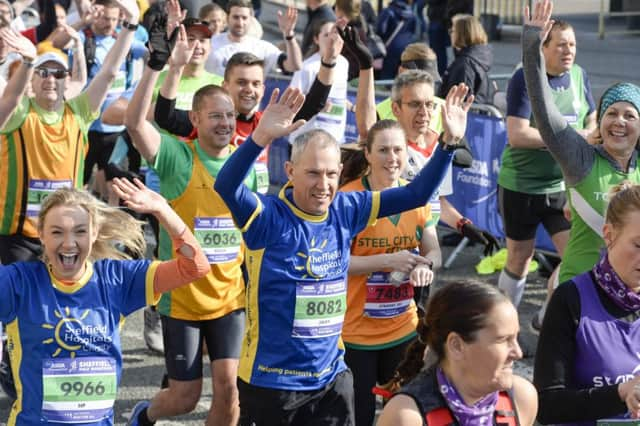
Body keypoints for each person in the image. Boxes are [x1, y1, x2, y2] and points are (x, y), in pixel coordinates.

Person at [214, 82, 473, 424]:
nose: (324, 185)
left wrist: (448, 143)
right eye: (313, 174)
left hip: (331, 378)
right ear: (290, 172)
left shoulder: (347, 207)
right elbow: (226, 186)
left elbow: (417, 193)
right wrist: (259, 138)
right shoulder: (268, 218)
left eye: (332, 174)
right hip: (273, 382)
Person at [124, 27, 256, 426]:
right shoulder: (178, 157)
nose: (224, 122)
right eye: (215, 115)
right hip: (181, 297)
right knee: (184, 397)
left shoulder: (245, 162)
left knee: (229, 387)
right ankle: (143, 415)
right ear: (195, 118)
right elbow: (134, 123)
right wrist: (161, 68)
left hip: (229, 297)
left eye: (229, 115)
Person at [0, 177, 210, 426]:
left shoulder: (117, 280)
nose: (69, 243)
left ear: (95, 233)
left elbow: (195, 266)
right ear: (41, 236)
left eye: (80, 231)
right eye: (57, 232)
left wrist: (162, 211)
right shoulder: (19, 283)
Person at [0, 0, 141, 265]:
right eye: (43, 72)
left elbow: (109, 73)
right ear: (32, 79)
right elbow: (8, 97)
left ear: (68, 81)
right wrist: (28, 60)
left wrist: (131, 22)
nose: (50, 79)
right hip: (20, 237)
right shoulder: (18, 113)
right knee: (25, 304)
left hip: (65, 233)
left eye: (58, 73)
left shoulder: (79, 112)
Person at [522, 0, 640, 297]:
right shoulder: (581, 158)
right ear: (599, 122)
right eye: (611, 114)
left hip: (631, 295)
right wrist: (531, 45)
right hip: (580, 293)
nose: (619, 122)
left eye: (630, 115)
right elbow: (545, 111)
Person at [341, 119, 442, 426]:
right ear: (368, 154)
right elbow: (333, 263)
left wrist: (426, 267)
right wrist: (387, 261)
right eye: (383, 150)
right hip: (354, 333)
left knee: (405, 418)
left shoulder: (416, 197)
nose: (392, 158)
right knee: (356, 419)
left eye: (398, 149)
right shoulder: (347, 199)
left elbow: (434, 251)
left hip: (403, 330)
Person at [497, 11, 597, 320]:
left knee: (576, 258)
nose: (568, 51)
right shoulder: (524, 77)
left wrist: (590, 131)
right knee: (519, 258)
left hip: (562, 187)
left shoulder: (579, 75)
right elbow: (517, 135)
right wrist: (572, 136)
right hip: (521, 185)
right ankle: (504, 323)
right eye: (561, 45)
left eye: (572, 45)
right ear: (543, 48)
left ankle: (547, 317)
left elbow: (591, 117)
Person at [533, 174, 640, 425]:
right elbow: (547, 406)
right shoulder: (571, 298)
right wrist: (619, 393)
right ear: (609, 235)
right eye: (638, 245)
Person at [376, 280, 537, 425]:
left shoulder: (520, 398)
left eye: (516, 337)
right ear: (456, 345)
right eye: (502, 340)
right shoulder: (407, 416)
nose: (518, 352)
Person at [288, 19, 349, 144]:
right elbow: (291, 103)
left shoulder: (344, 63)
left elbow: (339, 96)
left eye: (336, 34)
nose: (331, 39)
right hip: (306, 140)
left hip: (335, 139)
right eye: (326, 35)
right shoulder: (307, 67)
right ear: (316, 39)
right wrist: (317, 104)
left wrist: (351, 106)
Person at [205, 0, 302, 76]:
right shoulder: (210, 43)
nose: (240, 23)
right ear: (227, 18)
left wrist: (289, 34)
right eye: (236, 17)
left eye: (244, 18)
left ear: (251, 19)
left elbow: (294, 66)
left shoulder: (263, 48)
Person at [438, 13, 492, 104]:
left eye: (453, 31)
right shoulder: (476, 57)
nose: (450, 34)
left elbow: (460, 100)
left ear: (462, 34)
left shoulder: (465, 64)